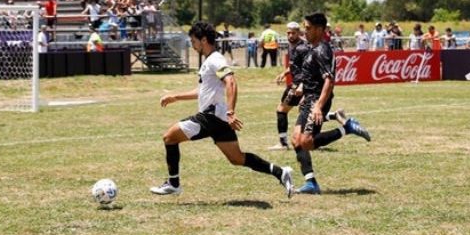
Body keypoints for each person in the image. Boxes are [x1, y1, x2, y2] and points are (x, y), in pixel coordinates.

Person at [149, 21, 294, 197]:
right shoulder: (209, 61)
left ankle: (173, 184)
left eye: (194, 41)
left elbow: (231, 81)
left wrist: (231, 112)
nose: (193, 45)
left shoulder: (215, 59)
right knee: (237, 158)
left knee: (169, 137)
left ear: (203, 40)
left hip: (211, 116)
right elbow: (203, 91)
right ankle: (281, 172)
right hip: (218, 119)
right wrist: (176, 97)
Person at [291, 12, 371, 195]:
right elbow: (313, 75)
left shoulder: (323, 49)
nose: (305, 31)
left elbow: (329, 80)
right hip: (309, 99)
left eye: (308, 28)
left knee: (307, 142)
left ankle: (346, 128)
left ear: (319, 30)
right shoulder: (312, 47)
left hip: (318, 100)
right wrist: (304, 89)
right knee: (296, 140)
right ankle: (310, 183)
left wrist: (318, 105)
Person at [270, 22, 311, 150]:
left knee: (281, 110)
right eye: (288, 32)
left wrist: (302, 85)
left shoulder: (303, 47)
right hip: (298, 83)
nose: (290, 35)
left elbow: (309, 68)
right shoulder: (291, 45)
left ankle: (282, 143)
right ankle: (334, 115)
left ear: (299, 33)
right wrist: (284, 73)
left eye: (293, 33)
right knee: (308, 111)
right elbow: (294, 65)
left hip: (299, 84)